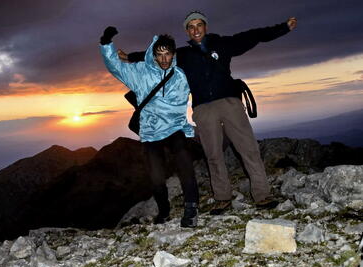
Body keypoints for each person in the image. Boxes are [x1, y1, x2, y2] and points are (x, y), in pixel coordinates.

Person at [121, 12, 298, 214]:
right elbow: (157, 56)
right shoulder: (183, 55)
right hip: (203, 109)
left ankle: (262, 195)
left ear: (205, 26)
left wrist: (284, 28)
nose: (195, 30)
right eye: (191, 27)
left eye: (199, 25)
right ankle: (222, 198)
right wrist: (129, 58)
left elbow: (254, 35)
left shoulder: (223, 44)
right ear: (187, 31)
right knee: (213, 155)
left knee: (248, 149)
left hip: (230, 103)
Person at [100, 27, 200, 227]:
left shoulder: (181, 76)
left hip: (175, 128)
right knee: (156, 176)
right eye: (159, 54)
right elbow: (115, 67)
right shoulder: (140, 73)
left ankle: (191, 207)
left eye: (168, 54)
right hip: (151, 132)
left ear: (174, 54)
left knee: (184, 162)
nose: (164, 59)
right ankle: (163, 211)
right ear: (153, 55)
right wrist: (106, 44)